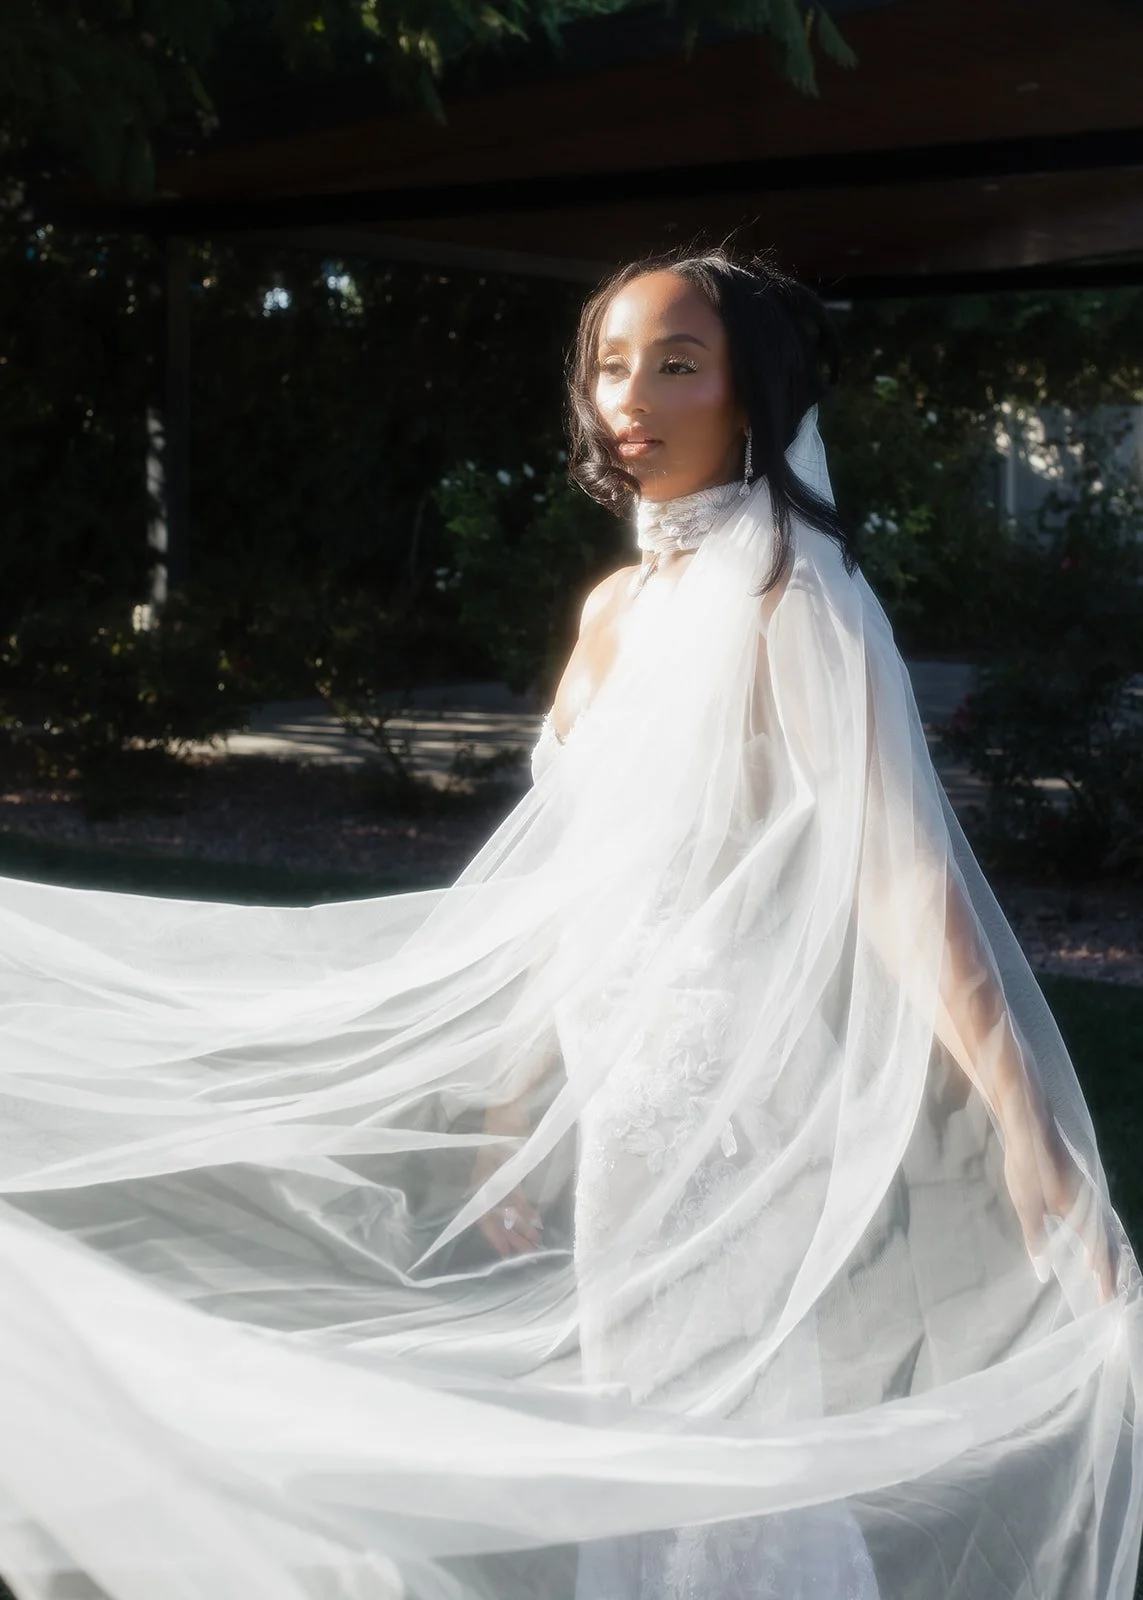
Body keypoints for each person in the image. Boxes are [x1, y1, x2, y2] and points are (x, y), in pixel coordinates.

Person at [0, 244, 1138, 1600]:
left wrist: (1023, 1125)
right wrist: (516, 1088)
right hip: (614, 1081)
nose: (630, 398)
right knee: (638, 1417)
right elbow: (580, 870)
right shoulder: (617, 606)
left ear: (752, 396)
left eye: (674, 363)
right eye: (609, 365)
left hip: (727, 1093)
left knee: (721, 1426)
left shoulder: (794, 599)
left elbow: (895, 872)